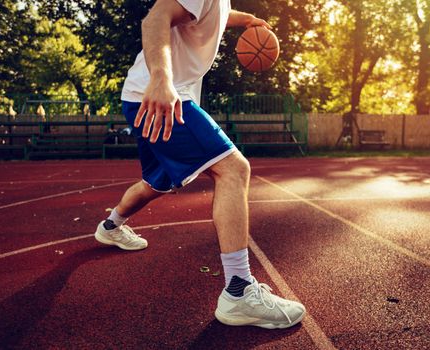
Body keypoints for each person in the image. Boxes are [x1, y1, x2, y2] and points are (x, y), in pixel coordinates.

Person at [94, 0, 306, 329]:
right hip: (164, 95)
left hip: (139, 97)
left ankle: (111, 227)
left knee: (157, 183)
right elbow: (155, 19)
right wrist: (162, 79)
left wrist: (246, 20)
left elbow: (214, 15)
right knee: (235, 170)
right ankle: (239, 291)